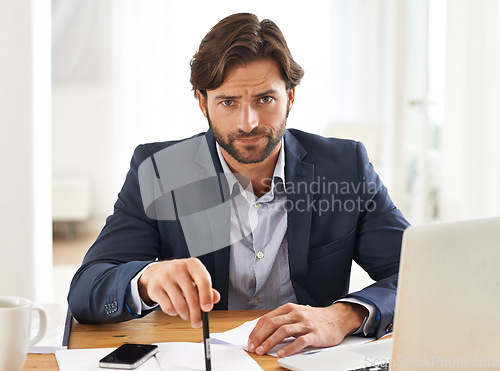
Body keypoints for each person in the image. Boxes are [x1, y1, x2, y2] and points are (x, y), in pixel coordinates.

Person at [68, 12, 409, 357]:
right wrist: (144, 280)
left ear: (290, 97)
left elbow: (419, 275)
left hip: (306, 361)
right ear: (203, 103)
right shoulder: (161, 171)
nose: (248, 123)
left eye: (265, 99)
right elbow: (86, 290)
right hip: (200, 358)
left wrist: (344, 315)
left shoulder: (343, 167)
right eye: (228, 102)